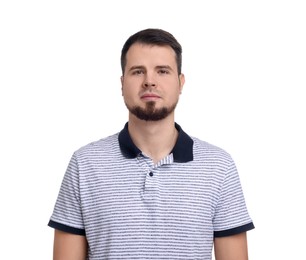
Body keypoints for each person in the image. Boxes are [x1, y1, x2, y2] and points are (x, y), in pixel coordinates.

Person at [48, 28, 255, 260]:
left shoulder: (219, 167)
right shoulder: (84, 165)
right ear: (122, 82)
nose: (149, 81)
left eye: (162, 71)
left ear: (181, 82)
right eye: (138, 72)